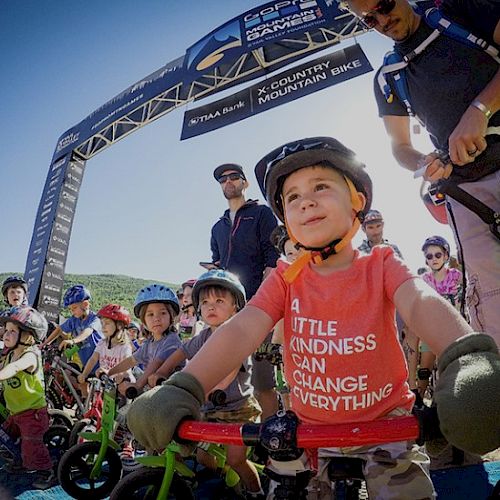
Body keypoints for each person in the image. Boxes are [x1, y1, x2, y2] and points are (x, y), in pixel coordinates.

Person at [127, 137, 500, 499]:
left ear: (356, 200)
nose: (306, 201)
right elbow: (242, 328)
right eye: (292, 197)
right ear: (286, 221)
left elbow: (420, 302)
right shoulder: (285, 277)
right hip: (310, 437)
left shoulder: (381, 263)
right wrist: (186, 385)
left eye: (321, 186)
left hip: (387, 426)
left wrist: (466, 356)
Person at [344, 0, 500, 344]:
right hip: (465, 194)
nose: (383, 21)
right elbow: (399, 147)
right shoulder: (387, 76)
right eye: (369, 19)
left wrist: (480, 110)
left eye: (384, 6)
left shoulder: (457, 11)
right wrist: (422, 163)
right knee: (490, 300)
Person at [149, 270, 263, 497]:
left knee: (236, 459)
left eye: (219, 301)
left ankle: (256, 492)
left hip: (239, 410)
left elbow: (228, 371)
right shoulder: (201, 337)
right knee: (202, 455)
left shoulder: (236, 335)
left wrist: (210, 390)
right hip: (210, 408)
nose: (211, 306)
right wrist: (161, 372)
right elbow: (181, 352)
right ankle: (221, 479)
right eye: (205, 301)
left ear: (235, 308)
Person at [211, 162, 280, 419]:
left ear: (244, 183)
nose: (228, 182)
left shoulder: (261, 213)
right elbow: (217, 264)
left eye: (234, 177)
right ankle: (234, 433)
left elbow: (273, 260)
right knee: (228, 376)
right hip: (227, 311)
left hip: (259, 307)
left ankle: (271, 436)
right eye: (223, 179)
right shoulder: (217, 227)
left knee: (263, 378)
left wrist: (260, 301)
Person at [0, 307, 56, 489]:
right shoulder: (9, 353)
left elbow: (15, 368)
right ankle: (21, 461)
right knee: (7, 436)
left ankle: (46, 472)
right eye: (5, 330)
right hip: (16, 410)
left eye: (12, 331)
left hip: (32, 413)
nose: (6, 334)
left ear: (28, 336)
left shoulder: (30, 355)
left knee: (32, 446)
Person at [108, 284, 184, 397]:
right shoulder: (149, 343)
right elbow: (131, 360)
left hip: (173, 395)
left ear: (171, 317)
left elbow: (157, 363)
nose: (156, 318)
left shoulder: (172, 340)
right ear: (144, 321)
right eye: (150, 314)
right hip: (156, 393)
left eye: (163, 313)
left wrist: (138, 385)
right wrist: (110, 373)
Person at [40, 284, 103, 396]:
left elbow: (88, 331)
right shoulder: (74, 320)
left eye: (74, 308)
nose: (72, 312)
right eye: (70, 309)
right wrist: (45, 343)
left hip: (99, 363)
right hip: (86, 363)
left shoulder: (95, 319)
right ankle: (85, 408)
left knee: (99, 395)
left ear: (85, 304)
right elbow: (59, 329)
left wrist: (73, 341)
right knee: (83, 385)